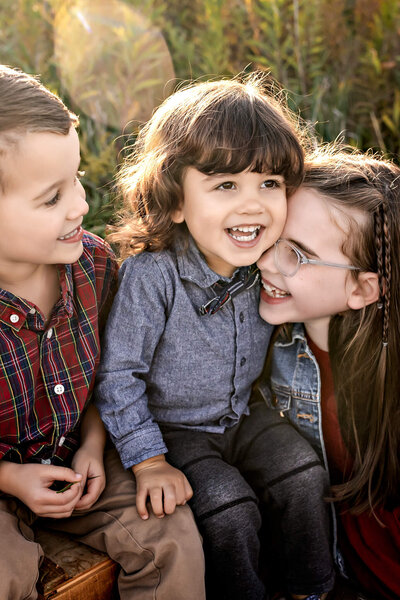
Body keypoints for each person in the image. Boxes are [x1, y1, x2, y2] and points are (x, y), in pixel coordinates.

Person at [95, 75, 335, 600]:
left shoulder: (267, 265)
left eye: (269, 184)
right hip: (175, 430)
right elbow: (118, 376)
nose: (253, 205)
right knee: (227, 507)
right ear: (175, 200)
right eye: (226, 185)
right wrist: (150, 462)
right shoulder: (152, 276)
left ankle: (310, 589)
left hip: (246, 414)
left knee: (301, 474)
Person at [0, 65, 205, 600]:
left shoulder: (91, 265)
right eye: (51, 198)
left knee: (169, 534)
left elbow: (105, 374)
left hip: (76, 460)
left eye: (78, 180)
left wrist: (92, 444)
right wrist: (9, 479)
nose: (81, 206)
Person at [256, 148, 400, 600]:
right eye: (272, 236)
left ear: (361, 288)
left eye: (296, 255)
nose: (266, 262)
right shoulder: (263, 337)